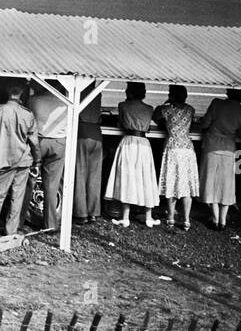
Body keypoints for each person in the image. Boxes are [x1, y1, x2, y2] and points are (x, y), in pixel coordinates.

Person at [0, 82, 37, 240]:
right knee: (17, 197)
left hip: (1, 160)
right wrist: (36, 160)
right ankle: (11, 231)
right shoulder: (28, 114)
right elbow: (34, 142)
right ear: (22, 93)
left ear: (6, 91)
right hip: (22, 161)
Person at [106, 82, 160, 227]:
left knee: (127, 177)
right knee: (146, 177)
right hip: (143, 143)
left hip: (129, 142)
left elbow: (122, 123)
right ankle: (148, 216)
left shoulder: (123, 106)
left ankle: (125, 217)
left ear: (130, 92)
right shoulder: (149, 108)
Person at [198, 89, 241, 230]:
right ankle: (223, 220)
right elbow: (240, 132)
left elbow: (204, 123)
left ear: (228, 92)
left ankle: (214, 218)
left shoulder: (217, 103)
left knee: (210, 182)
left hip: (211, 146)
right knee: (227, 184)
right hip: (229, 149)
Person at [155, 84, 199, 231]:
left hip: (173, 147)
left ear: (171, 95)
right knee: (186, 184)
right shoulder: (190, 110)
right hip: (187, 148)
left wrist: (167, 101)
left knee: (171, 182)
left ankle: (171, 218)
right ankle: (186, 220)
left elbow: (155, 116)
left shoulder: (166, 109)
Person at [27, 82, 67, 230]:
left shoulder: (35, 100)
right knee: (52, 186)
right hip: (59, 142)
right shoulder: (66, 102)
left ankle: (19, 220)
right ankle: (50, 223)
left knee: (29, 182)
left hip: (40, 140)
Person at [73, 90, 105, 224]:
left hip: (82, 131)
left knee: (80, 174)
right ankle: (93, 212)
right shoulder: (97, 93)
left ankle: (81, 213)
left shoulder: (77, 91)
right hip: (97, 133)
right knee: (94, 176)